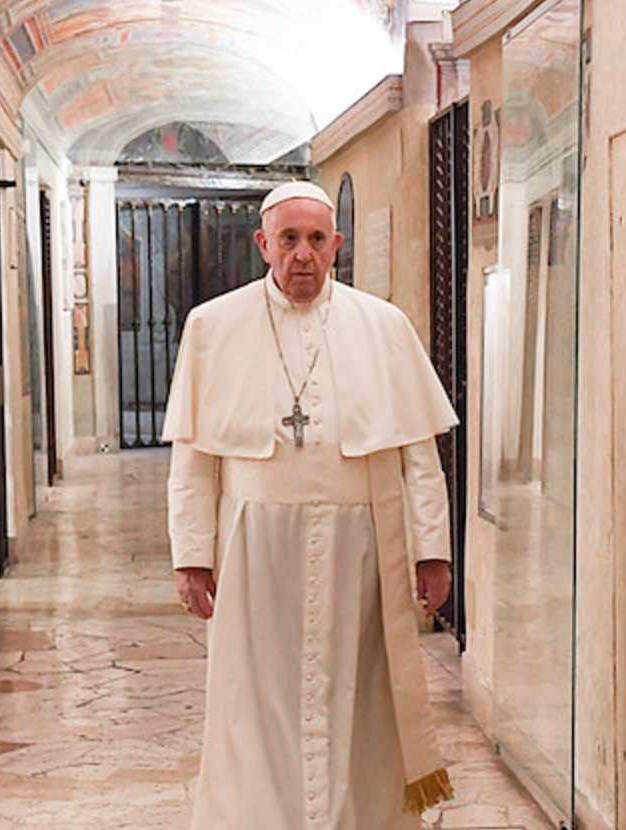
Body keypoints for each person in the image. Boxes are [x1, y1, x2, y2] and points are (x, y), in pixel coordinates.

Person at [164, 181, 458, 829]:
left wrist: (431, 552)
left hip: (359, 551)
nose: (303, 255)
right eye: (289, 239)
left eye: (317, 240)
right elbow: (193, 460)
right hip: (254, 552)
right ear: (263, 244)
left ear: (337, 246)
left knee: (356, 696)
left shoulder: (383, 327)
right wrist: (192, 557)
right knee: (256, 698)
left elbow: (418, 458)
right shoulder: (213, 326)